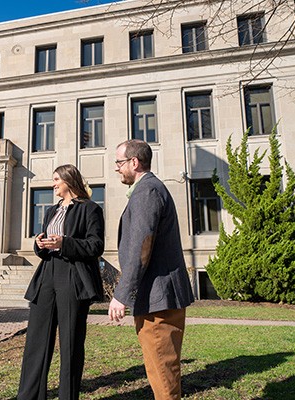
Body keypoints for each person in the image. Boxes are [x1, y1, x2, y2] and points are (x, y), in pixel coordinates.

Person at [108, 139, 195, 400]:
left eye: (119, 163)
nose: (116, 169)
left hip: (159, 301)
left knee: (163, 374)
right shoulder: (148, 189)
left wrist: (121, 293)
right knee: (162, 371)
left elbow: (141, 246)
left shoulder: (146, 191)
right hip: (159, 297)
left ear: (134, 162)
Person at [17, 164, 105, 400]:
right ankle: (30, 396)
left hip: (73, 276)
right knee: (36, 338)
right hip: (47, 273)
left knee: (70, 342)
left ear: (68, 180)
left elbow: (96, 246)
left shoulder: (90, 209)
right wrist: (40, 244)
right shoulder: (52, 211)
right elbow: (46, 246)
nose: (53, 183)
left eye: (56, 179)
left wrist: (63, 243)